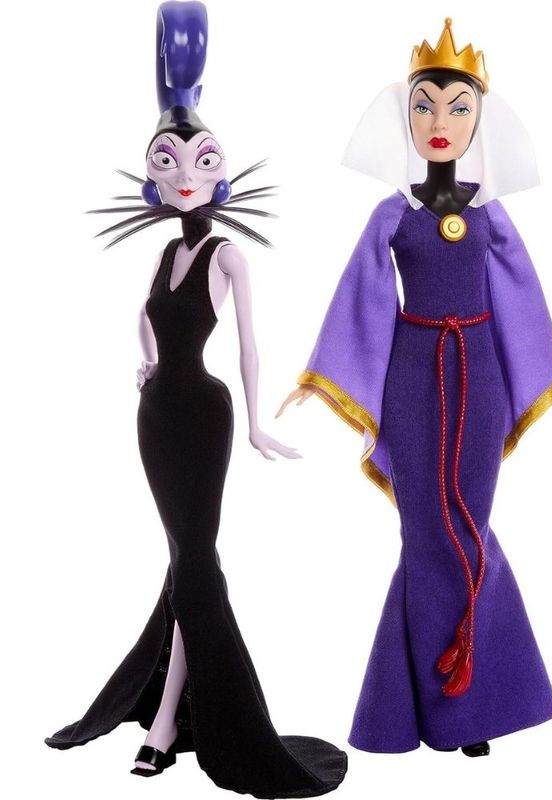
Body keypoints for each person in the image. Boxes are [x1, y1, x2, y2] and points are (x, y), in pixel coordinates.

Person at [45, 3, 347, 795]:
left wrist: (256, 424)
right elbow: (141, 319)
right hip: (154, 419)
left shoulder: (228, 254)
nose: (186, 176)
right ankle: (168, 715)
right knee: (184, 559)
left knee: (195, 559)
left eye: (201, 161)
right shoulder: (159, 254)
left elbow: (249, 343)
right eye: (169, 162)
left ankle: (165, 723)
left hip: (206, 417)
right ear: (154, 176)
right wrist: (144, 362)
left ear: (219, 173)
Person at [279, 18, 552, 757]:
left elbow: (519, 296)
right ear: (404, 116)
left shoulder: (489, 213)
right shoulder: (393, 213)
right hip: (412, 373)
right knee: (426, 527)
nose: (440, 120)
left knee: (465, 524)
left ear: (479, 119)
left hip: (481, 370)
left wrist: (544, 375)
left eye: (457, 107)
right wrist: (322, 378)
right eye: (424, 105)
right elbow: (361, 297)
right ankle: (453, 706)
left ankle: (432, 706)